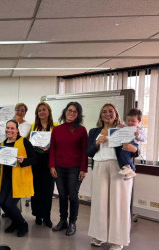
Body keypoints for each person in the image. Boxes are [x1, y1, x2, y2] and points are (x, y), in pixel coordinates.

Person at [87, 103, 139, 250]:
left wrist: (133, 148)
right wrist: (96, 143)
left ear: (115, 114)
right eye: (104, 111)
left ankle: (118, 240)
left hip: (119, 168)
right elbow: (89, 152)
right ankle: (99, 236)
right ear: (101, 115)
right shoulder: (93, 131)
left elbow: (136, 150)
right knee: (99, 203)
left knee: (119, 204)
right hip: (99, 167)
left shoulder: (123, 129)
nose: (107, 114)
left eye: (111, 111)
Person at [0, 119, 37, 237]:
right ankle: (15, 222)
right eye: (8, 128)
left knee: (10, 204)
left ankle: (23, 224)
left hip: (19, 179)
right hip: (7, 179)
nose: (9, 130)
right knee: (1, 202)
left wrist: (24, 161)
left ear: (17, 130)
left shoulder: (24, 142)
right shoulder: (3, 144)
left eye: (12, 128)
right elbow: (1, 164)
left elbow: (35, 159)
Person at [49, 102, 87, 236]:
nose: (71, 113)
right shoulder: (57, 129)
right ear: (65, 111)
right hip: (59, 167)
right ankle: (63, 220)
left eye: (75, 112)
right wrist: (52, 166)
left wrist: (83, 169)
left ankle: (72, 222)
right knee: (62, 195)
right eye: (70, 110)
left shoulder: (82, 130)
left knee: (73, 195)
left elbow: (84, 152)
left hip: (75, 168)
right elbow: (53, 148)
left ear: (78, 115)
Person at [29, 102, 57, 228]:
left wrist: (50, 147)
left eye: (44, 110)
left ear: (49, 112)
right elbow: (28, 143)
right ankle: (38, 215)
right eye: (39, 110)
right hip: (36, 161)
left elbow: (58, 145)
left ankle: (47, 216)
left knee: (48, 190)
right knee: (36, 189)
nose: (41, 112)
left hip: (49, 161)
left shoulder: (56, 126)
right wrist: (33, 145)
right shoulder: (33, 126)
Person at [116, 108, 146, 180]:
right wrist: (119, 127)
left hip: (133, 144)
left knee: (124, 154)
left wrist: (138, 135)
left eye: (133, 121)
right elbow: (117, 131)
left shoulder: (139, 129)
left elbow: (144, 139)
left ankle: (130, 168)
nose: (129, 123)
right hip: (125, 143)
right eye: (128, 120)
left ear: (138, 121)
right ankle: (129, 170)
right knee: (122, 154)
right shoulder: (125, 126)